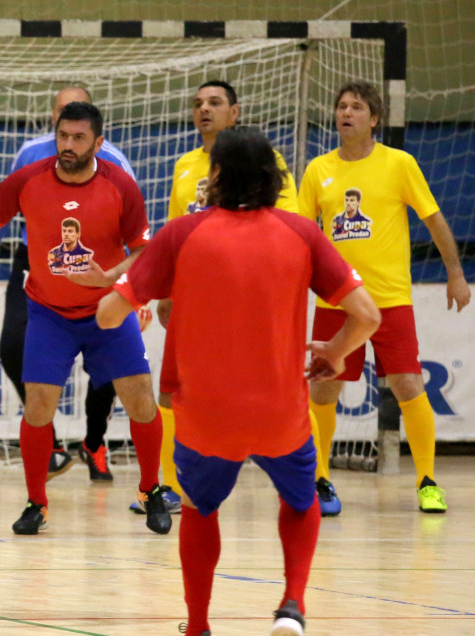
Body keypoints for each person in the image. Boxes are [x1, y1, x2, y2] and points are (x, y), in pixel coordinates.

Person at [98, 126, 381, 636]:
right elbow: (367, 315)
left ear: (217, 176)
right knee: (301, 502)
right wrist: (335, 354)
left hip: (207, 417)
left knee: (200, 509)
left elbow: (107, 314)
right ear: (275, 178)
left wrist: (121, 287)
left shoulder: (182, 235)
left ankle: (200, 626)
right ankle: (292, 604)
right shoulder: (302, 232)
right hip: (280, 414)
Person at [0, 102, 171, 536]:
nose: (68, 145)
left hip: (106, 311)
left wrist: (112, 277)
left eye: (79, 138)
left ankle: (150, 489)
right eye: (63, 136)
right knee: (39, 406)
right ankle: (36, 503)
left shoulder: (120, 184)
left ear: (98, 143)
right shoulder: (28, 178)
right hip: (48, 314)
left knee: (140, 398)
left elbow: (143, 250)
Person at [299, 80, 471, 514]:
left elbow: (432, 219)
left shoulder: (400, 164)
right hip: (336, 302)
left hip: (390, 300)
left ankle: (428, 481)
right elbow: (301, 236)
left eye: (356, 107)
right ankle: (320, 481)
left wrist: (455, 274)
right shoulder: (318, 169)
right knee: (322, 393)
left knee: (410, 384)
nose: (346, 113)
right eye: (341, 106)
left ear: (374, 119)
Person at [145, 79, 302, 517]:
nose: (204, 110)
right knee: (171, 390)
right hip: (193, 299)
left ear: (235, 112)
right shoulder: (183, 165)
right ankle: (173, 488)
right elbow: (174, 236)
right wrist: (166, 291)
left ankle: (296, 481)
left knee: (260, 388)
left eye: (214, 102)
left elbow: (287, 226)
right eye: (197, 104)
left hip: (247, 298)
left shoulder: (265, 162)